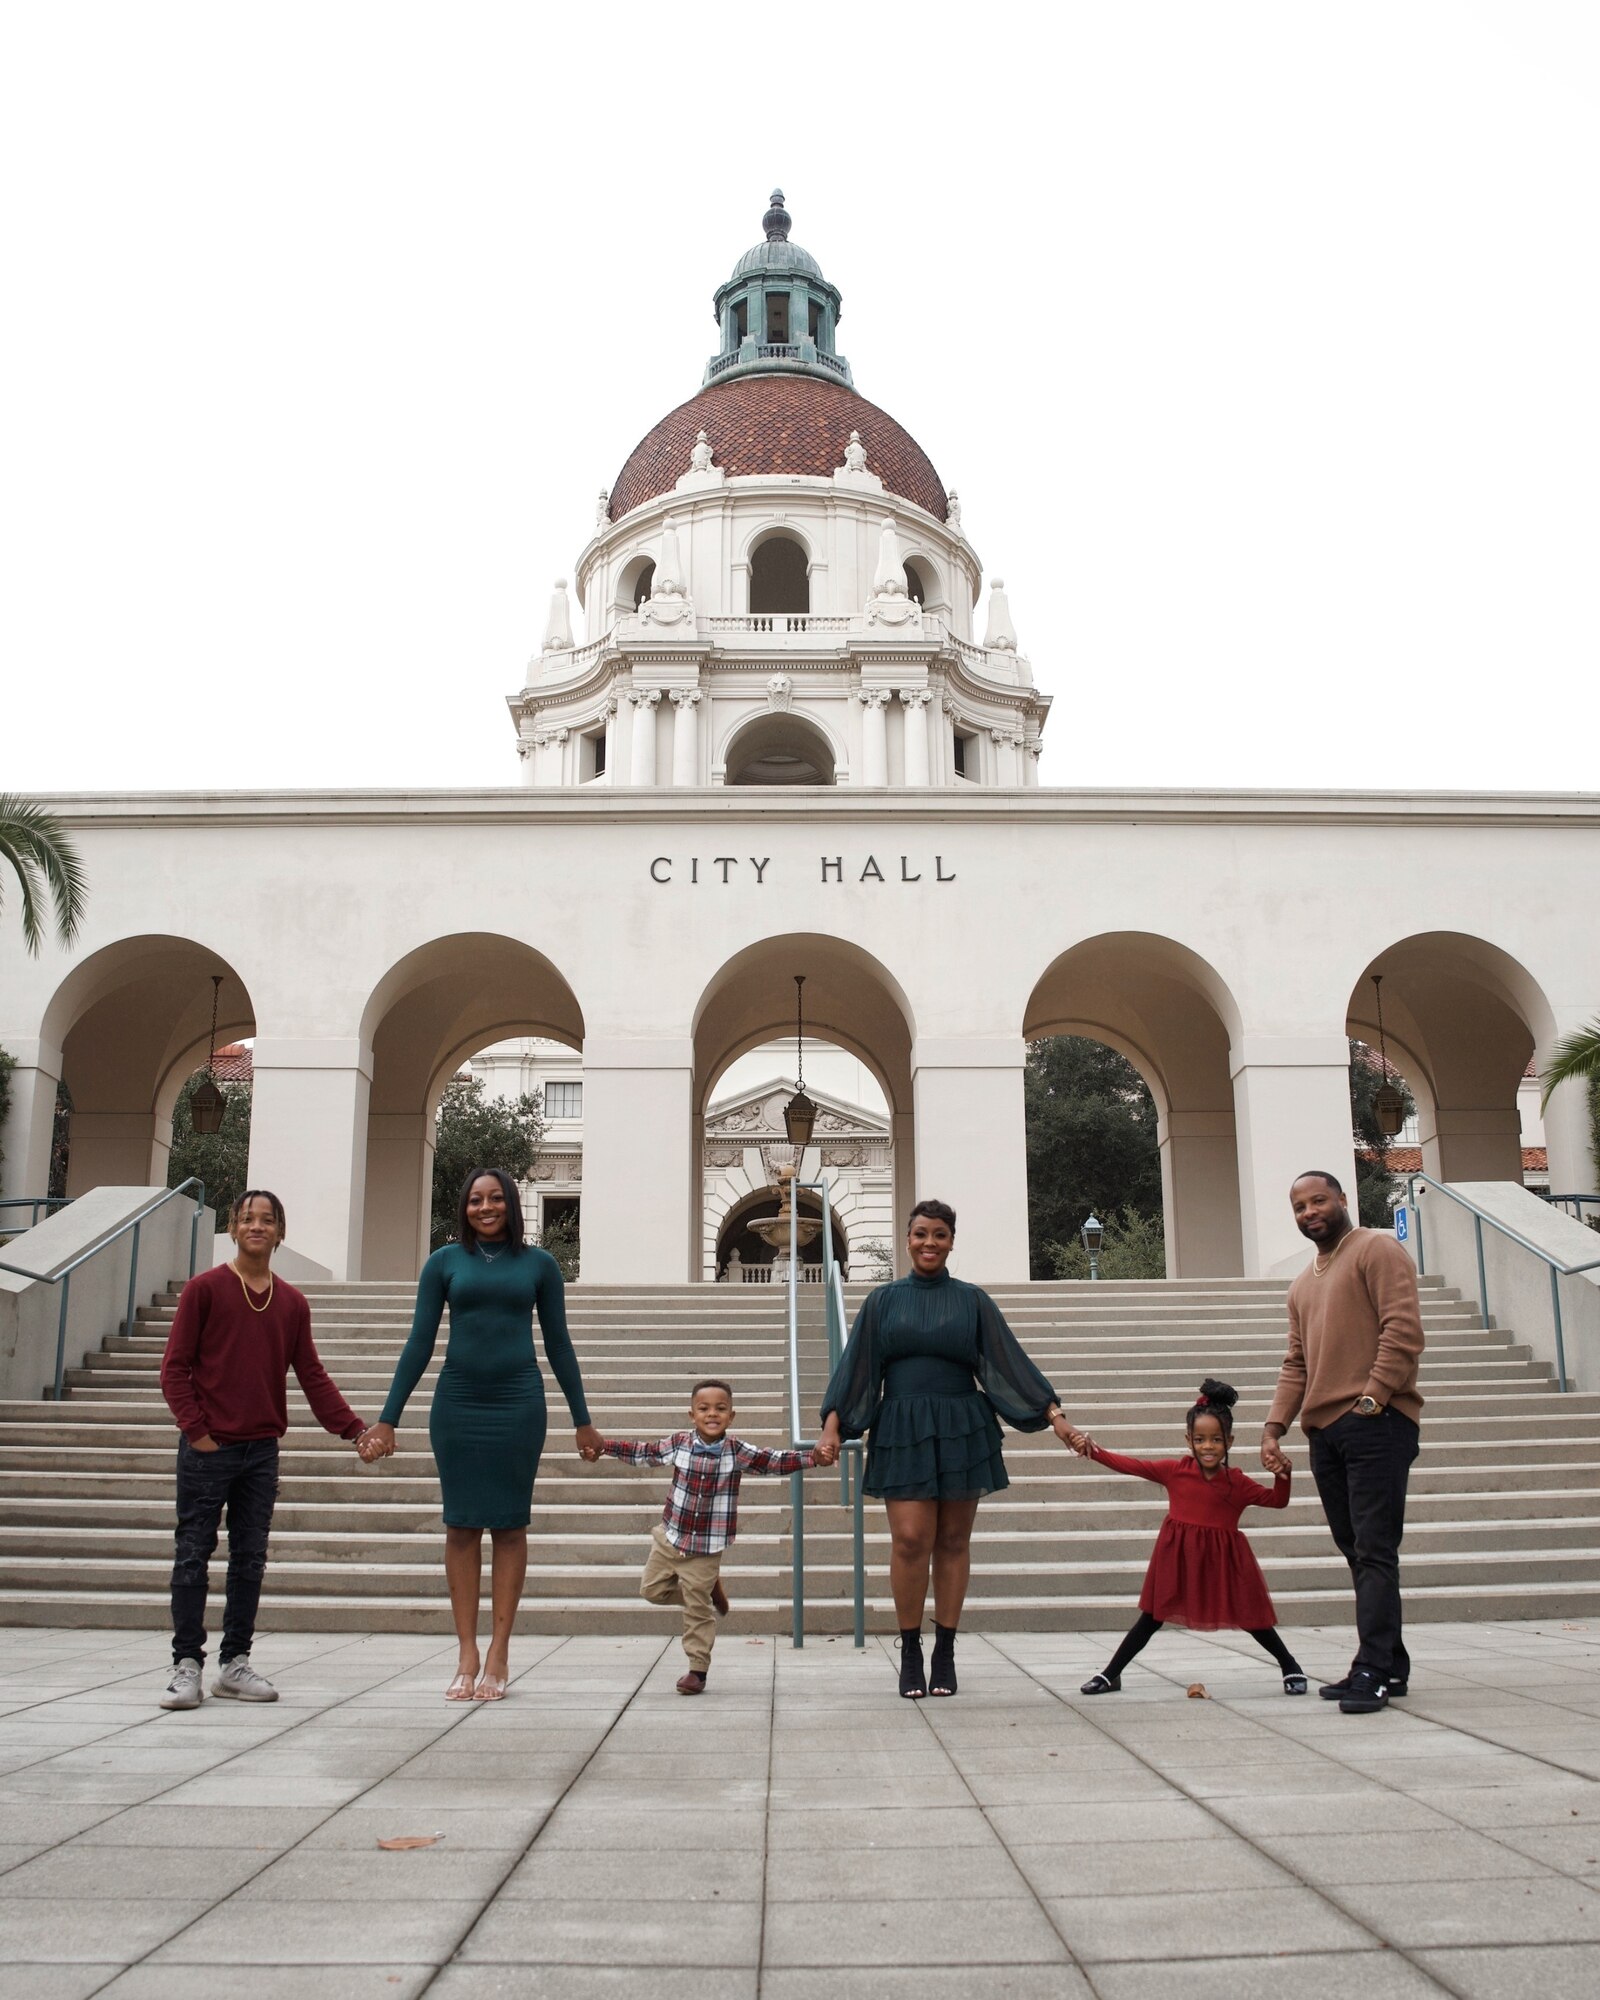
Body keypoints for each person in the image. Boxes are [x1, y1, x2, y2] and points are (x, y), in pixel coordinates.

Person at [817, 1198, 1077, 1698]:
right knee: (911, 1539)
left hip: (962, 1423)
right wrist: (834, 1426)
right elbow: (859, 1368)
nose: (929, 1242)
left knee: (954, 1542)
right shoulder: (883, 1301)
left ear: (951, 1241)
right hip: (902, 1425)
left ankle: (946, 1650)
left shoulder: (972, 1300)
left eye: (939, 1234)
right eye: (920, 1234)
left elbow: (1008, 1363)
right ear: (907, 1239)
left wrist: (1055, 1417)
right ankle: (910, 1647)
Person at [359, 1169, 600, 1700]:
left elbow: (559, 1345)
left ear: (511, 1204)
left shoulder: (540, 1265)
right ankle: (466, 1651)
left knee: (510, 1527)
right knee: (462, 1526)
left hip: (517, 1404)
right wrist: (388, 1417)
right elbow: (420, 1341)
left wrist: (581, 1418)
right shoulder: (443, 1263)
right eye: (474, 1200)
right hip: (459, 1404)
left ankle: (499, 1650)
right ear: (463, 1207)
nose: (485, 1207)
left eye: (494, 1199)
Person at [158, 1189, 366, 1709]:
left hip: (260, 1451)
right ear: (233, 1228)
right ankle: (187, 1665)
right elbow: (174, 1369)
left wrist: (353, 1429)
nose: (257, 1226)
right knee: (192, 1555)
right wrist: (197, 1431)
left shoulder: (292, 1303)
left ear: (280, 1232)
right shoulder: (204, 1290)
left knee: (249, 1559)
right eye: (247, 1218)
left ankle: (234, 1664)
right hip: (209, 1449)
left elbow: (312, 1376)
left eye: (267, 1219)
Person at [1261, 1170, 1424, 1715]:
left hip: (1376, 1422)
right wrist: (1274, 1426)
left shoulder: (1376, 1249)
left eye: (1318, 1200)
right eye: (1299, 1206)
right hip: (1325, 1431)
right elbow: (1296, 1362)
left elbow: (1402, 1331)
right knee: (1357, 1551)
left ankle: (1373, 1670)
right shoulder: (1302, 1284)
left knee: (1375, 1549)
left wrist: (1375, 1398)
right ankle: (1388, 1664)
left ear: (1342, 1199)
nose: (1310, 1212)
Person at [582, 1378, 835, 1694]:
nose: (712, 1414)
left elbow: (774, 1461)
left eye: (720, 1408)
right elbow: (644, 1452)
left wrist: (813, 1457)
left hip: (706, 1547)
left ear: (732, 1416)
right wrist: (605, 1446)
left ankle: (697, 1671)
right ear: (692, 1415)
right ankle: (705, 1590)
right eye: (704, 1409)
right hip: (670, 1537)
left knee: (697, 1611)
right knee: (651, 1591)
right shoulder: (679, 1443)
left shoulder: (737, 1451)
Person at [1067, 1379, 1307, 1695]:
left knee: (1251, 1617)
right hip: (1177, 1557)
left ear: (1230, 1441)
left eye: (1216, 1440)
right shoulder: (1174, 1471)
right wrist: (1094, 1451)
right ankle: (1112, 1674)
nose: (1208, 1446)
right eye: (1200, 1439)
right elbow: (1133, 1466)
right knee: (1151, 1618)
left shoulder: (1238, 1483)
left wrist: (1283, 1475)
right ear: (1188, 1440)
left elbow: (1277, 1501)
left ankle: (1290, 1667)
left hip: (1223, 1561)